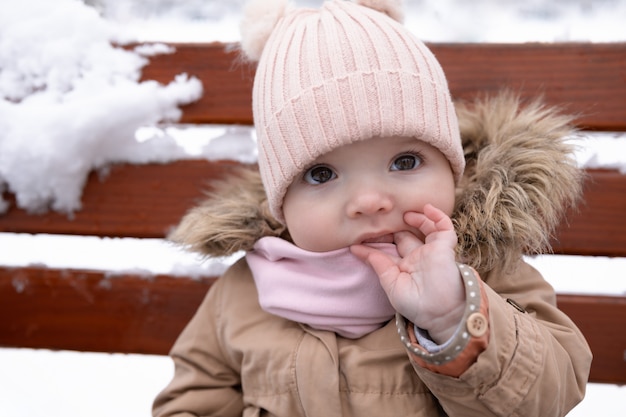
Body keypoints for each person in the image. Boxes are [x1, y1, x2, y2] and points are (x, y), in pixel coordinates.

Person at [153, 0, 592, 415]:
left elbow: (550, 397)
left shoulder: (483, 272)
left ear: (453, 170)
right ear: (282, 202)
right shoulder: (247, 289)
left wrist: (454, 317)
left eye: (404, 162)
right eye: (321, 174)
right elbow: (192, 398)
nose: (369, 201)